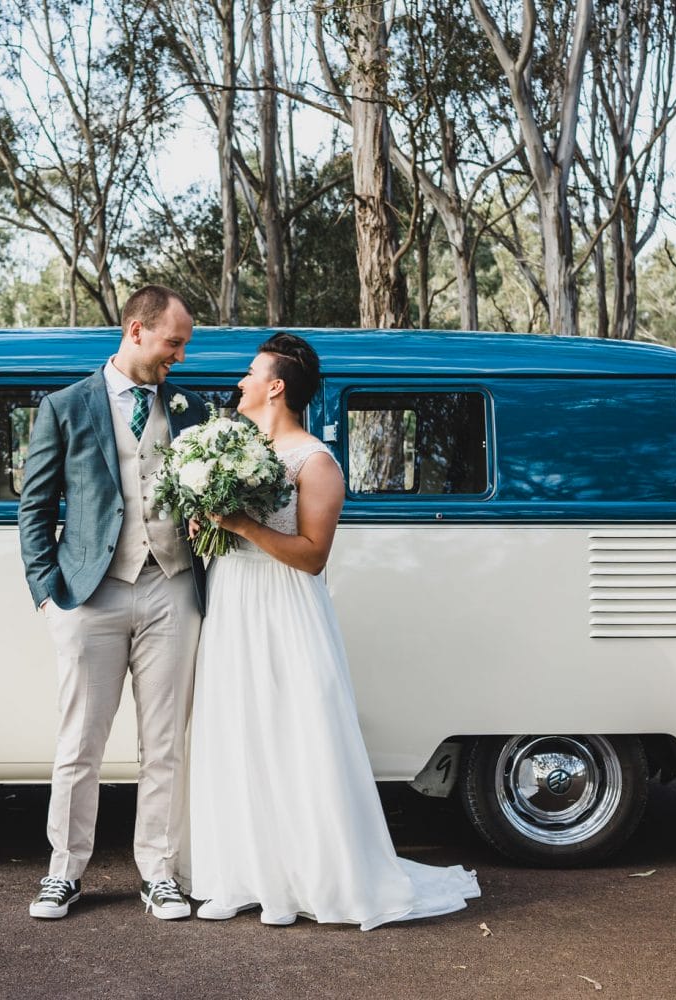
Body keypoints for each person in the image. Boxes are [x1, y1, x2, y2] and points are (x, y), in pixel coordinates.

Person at [185, 333, 481, 930]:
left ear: (275, 386)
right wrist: (208, 527)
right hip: (233, 602)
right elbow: (230, 531)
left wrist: (240, 524)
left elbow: (312, 554)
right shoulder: (230, 450)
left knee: (293, 733)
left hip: (285, 607)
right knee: (236, 731)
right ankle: (237, 876)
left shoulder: (314, 462)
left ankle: (302, 881)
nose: (239, 382)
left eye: (250, 372)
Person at [18, 285, 210, 921]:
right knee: (79, 742)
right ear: (136, 331)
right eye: (173, 342)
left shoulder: (191, 408)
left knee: (165, 744)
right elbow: (35, 508)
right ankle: (64, 872)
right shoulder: (66, 406)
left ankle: (158, 873)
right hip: (89, 595)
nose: (179, 356)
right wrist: (49, 595)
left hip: (171, 587)